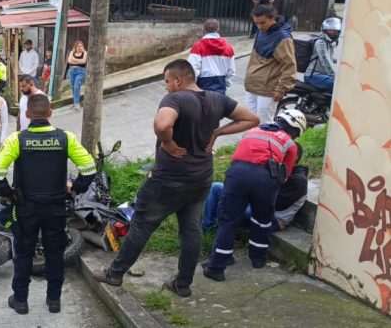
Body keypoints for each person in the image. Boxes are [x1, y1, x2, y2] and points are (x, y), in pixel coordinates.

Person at [91, 59, 259, 297]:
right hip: (201, 179)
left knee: (141, 225)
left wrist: (168, 142)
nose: (167, 87)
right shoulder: (218, 99)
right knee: (191, 232)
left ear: (179, 80)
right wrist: (218, 131)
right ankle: (182, 284)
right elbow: (252, 119)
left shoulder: (175, 99)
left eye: (168, 82)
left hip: (168, 181)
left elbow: (162, 124)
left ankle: (114, 274)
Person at [0, 94, 96, 315]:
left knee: (24, 253)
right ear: (50, 113)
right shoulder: (65, 138)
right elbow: (89, 167)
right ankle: (54, 301)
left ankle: (20, 301)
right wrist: (75, 189)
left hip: (26, 208)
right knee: (55, 253)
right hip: (56, 207)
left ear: (27, 115)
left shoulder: (17, 139)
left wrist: (8, 194)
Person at [204, 109, 306, 281]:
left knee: (228, 221)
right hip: (265, 180)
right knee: (262, 220)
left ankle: (217, 266)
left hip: (236, 173)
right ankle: (258, 259)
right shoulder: (290, 143)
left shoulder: (252, 131)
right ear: (295, 130)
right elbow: (285, 174)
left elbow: (236, 157)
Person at [202, 144, 309, 232]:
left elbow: (275, 205)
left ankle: (223, 226)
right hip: (254, 205)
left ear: (293, 157)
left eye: (282, 152)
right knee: (216, 187)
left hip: (273, 218)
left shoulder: (298, 180)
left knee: (234, 206)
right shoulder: (279, 169)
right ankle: (208, 227)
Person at [245, 4, 296, 124]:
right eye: (256, 23)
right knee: (249, 123)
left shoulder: (283, 38)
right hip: (252, 86)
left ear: (272, 18)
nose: (259, 26)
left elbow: (289, 66)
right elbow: (254, 59)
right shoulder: (260, 31)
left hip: (268, 89)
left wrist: (281, 89)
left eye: (262, 22)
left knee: (264, 125)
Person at [188, 18, 236, 95]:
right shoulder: (228, 48)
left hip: (202, 88)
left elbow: (193, 69)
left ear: (203, 29)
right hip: (220, 88)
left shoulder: (198, 46)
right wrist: (225, 84)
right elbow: (231, 71)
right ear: (218, 29)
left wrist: (192, 87)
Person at [304, 17, 341, 91]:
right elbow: (325, 60)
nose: (333, 33)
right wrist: (335, 75)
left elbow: (330, 58)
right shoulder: (321, 42)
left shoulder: (330, 42)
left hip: (323, 75)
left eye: (335, 31)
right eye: (330, 30)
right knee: (340, 84)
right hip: (313, 76)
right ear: (324, 30)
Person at [67, 41, 88, 109]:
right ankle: (75, 102)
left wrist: (74, 59)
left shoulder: (85, 53)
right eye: (78, 46)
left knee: (76, 86)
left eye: (81, 46)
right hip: (72, 71)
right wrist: (78, 60)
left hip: (81, 71)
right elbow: (69, 61)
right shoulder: (71, 52)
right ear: (75, 47)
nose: (79, 47)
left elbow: (84, 61)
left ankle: (76, 103)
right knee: (73, 87)